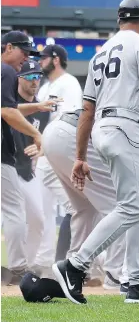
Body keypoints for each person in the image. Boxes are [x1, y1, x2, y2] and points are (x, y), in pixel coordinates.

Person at [52, 0, 139, 305]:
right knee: (134, 208)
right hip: (129, 127)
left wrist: (81, 156)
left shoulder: (99, 53)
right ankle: (75, 265)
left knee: (134, 207)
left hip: (102, 128)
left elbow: (87, 110)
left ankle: (137, 282)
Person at [35, 44, 83, 270]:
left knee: (76, 209)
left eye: (44, 57)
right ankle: (43, 264)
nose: (40, 60)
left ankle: (65, 262)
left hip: (56, 154)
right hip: (40, 156)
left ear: (56, 59)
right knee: (42, 214)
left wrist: (45, 145)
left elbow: (69, 120)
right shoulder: (45, 86)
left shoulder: (69, 83)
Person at [1, 31, 42, 283]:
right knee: (14, 210)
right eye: (23, 52)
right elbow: (7, 112)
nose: (26, 58)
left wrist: (37, 106)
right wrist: (37, 133)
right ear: (7, 47)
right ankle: (18, 269)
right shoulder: (5, 71)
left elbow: (11, 108)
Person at [13, 61, 53, 278]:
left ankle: (25, 268)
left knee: (37, 218)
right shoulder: (10, 102)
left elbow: (50, 140)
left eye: (37, 76)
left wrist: (42, 149)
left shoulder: (43, 109)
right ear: (19, 78)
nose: (34, 81)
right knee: (14, 218)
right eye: (29, 76)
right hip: (6, 166)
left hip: (28, 171)